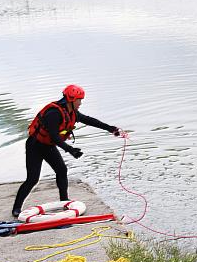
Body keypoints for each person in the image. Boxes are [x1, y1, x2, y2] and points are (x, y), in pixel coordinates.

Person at [11, 84, 121, 217]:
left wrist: (110, 128)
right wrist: (70, 150)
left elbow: (89, 120)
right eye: (79, 100)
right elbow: (54, 136)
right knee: (33, 179)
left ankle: (64, 201)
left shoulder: (72, 112)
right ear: (71, 99)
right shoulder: (54, 113)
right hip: (35, 145)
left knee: (62, 170)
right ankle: (16, 208)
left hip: (48, 146)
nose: (80, 103)